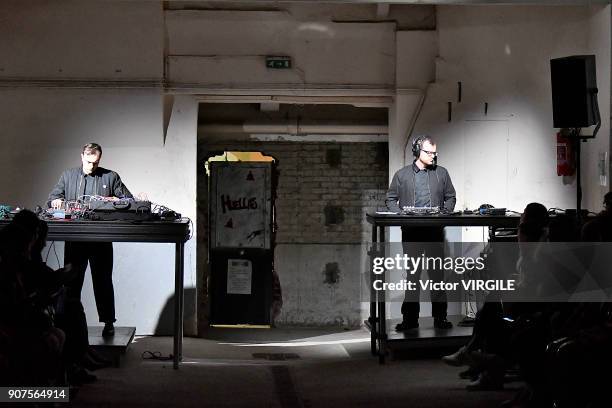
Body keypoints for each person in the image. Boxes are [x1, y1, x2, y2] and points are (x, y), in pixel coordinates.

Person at [48, 143, 132, 337]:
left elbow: (128, 200)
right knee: (72, 282)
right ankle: (70, 324)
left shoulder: (110, 177)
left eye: (95, 163)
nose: (91, 166)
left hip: (101, 239)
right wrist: (56, 201)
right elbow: (53, 197)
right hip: (75, 238)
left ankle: (109, 322)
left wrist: (114, 201)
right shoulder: (68, 176)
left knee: (102, 281)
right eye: (88, 162)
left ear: (100, 160)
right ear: (81, 157)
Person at [385, 135, 456, 330]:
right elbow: (390, 199)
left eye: (435, 153)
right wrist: (401, 215)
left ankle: (440, 318)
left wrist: (444, 212)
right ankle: (409, 320)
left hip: (434, 232)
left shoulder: (442, 173)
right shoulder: (402, 175)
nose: (433, 156)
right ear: (418, 151)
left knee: (437, 277)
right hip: (412, 233)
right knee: (413, 277)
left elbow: (450, 197)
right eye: (429, 152)